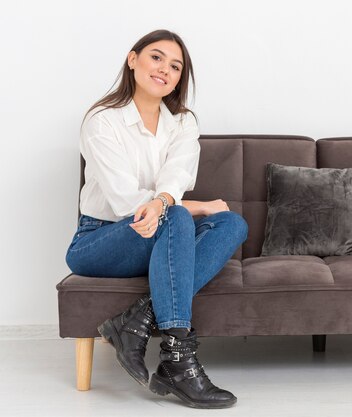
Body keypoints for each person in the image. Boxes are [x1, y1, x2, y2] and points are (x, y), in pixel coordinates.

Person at [64, 29, 248, 409]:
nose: (165, 69)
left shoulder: (183, 123)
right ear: (133, 60)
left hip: (161, 229)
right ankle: (178, 359)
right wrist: (193, 206)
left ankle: (136, 319)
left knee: (233, 223)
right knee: (178, 213)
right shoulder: (102, 121)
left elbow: (176, 179)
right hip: (102, 239)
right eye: (156, 57)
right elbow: (122, 202)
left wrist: (168, 202)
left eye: (176, 66)